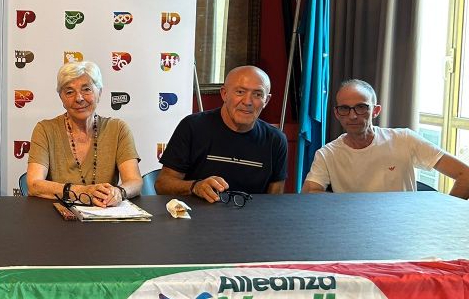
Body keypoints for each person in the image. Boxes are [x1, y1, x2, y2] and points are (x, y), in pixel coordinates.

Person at [301, 79, 469, 197]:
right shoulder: (327, 154)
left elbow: (465, 174)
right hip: (353, 230)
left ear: (375, 111)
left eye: (361, 107)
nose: (352, 116)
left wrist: (446, 216)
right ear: (337, 113)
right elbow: (309, 194)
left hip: (402, 229)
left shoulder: (404, 139)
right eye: (345, 109)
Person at [156, 65, 287, 200]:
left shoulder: (275, 139)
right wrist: (195, 187)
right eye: (240, 92)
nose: (248, 102)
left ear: (266, 100)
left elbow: (275, 200)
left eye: (257, 94)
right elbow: (162, 185)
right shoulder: (193, 127)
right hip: (197, 212)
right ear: (224, 94)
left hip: (252, 213)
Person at [26, 61, 142, 206]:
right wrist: (82, 192)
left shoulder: (118, 129)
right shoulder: (45, 130)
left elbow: (134, 181)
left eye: (86, 89)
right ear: (61, 98)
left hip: (104, 213)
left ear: (99, 93)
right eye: (69, 92)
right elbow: (34, 184)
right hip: (57, 215)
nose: (79, 98)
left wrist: (118, 192)